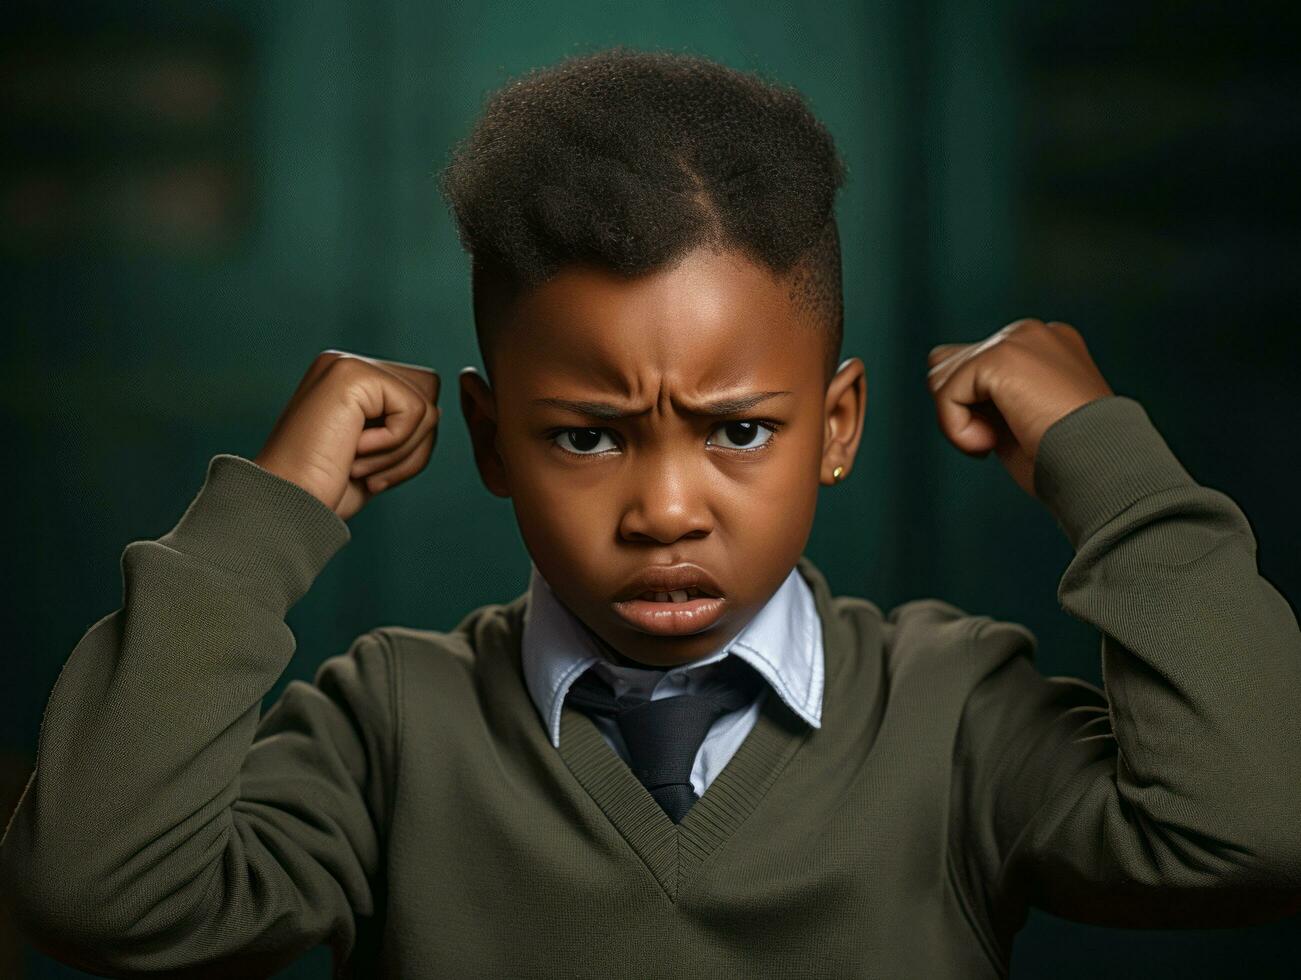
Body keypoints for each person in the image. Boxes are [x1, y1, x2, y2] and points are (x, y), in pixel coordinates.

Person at [2, 46, 1299, 979]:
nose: (665, 510)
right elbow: (95, 895)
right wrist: (268, 513)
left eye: (740, 430)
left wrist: (1105, 463)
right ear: (493, 439)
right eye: (587, 436)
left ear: (835, 426)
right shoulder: (389, 731)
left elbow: (1251, 829)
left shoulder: (953, 715)